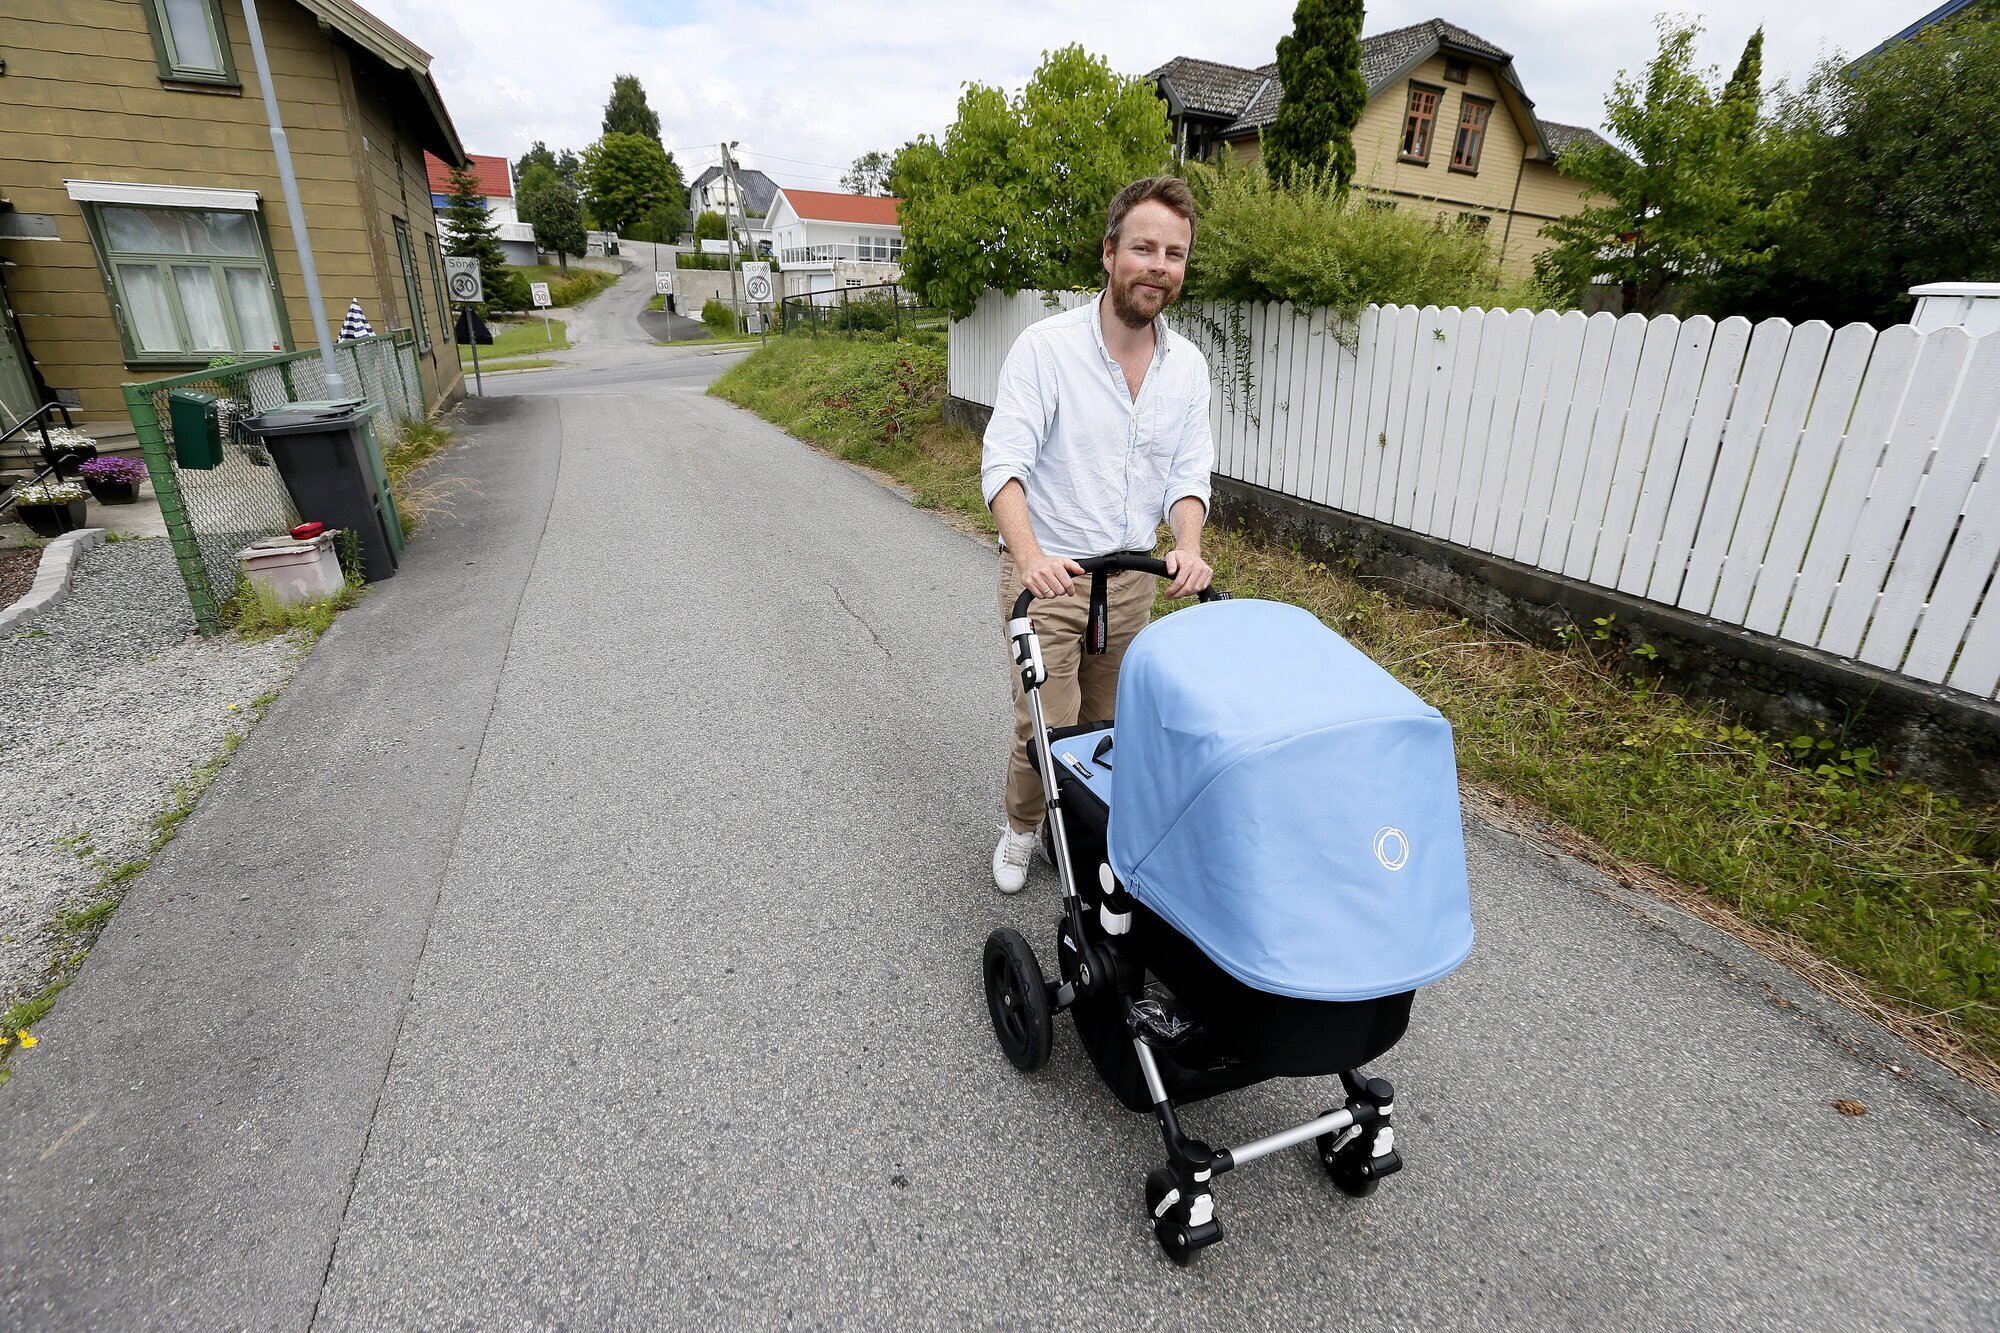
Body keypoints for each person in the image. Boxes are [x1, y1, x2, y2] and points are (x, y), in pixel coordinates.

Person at [980, 175, 1215, 894]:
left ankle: (1079, 831)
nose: (1159, 266)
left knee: (1110, 727)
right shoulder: (1046, 350)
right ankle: (1022, 829)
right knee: (1047, 730)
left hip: (1133, 584)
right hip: (1049, 577)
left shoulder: (1189, 367)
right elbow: (1004, 465)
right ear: (1109, 254)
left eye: (1174, 254)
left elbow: (1188, 474)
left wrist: (1189, 545)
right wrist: (1030, 559)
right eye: (1144, 247)